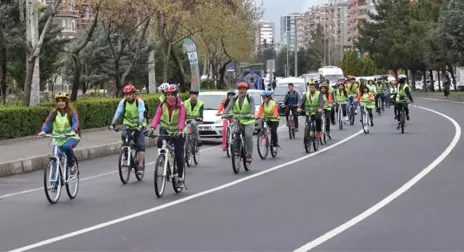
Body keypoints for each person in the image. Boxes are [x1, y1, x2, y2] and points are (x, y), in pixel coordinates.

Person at [150, 84, 187, 187]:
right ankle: (164, 159)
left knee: (179, 155)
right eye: (167, 94)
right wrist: (152, 128)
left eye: (172, 94)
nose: (169, 96)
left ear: (176, 95)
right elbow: (157, 116)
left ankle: (180, 177)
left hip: (178, 132)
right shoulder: (162, 105)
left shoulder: (181, 106)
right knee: (159, 141)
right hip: (166, 130)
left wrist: (180, 130)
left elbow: (182, 118)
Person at [39, 92, 80, 177]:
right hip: (57, 138)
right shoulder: (54, 112)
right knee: (55, 160)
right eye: (59, 101)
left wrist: (73, 131)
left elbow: (76, 122)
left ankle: (72, 165)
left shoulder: (72, 111)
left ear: (66, 102)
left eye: (63, 101)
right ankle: (54, 186)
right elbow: (48, 122)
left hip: (71, 137)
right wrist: (44, 131)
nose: (60, 103)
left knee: (66, 147)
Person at [109, 84, 147, 175]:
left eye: (130, 94)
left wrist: (140, 124)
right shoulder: (123, 102)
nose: (128, 96)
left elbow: (141, 114)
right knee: (124, 136)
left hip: (140, 124)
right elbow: (118, 112)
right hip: (128, 124)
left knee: (140, 144)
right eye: (126, 94)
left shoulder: (139, 102)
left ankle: (140, 166)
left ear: (134, 94)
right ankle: (126, 153)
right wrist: (113, 123)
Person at [223, 82, 255, 163]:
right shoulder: (234, 98)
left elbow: (252, 107)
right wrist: (224, 113)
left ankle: (249, 154)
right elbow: (229, 105)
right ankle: (237, 150)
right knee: (235, 132)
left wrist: (252, 114)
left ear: (246, 90)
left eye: (243, 89)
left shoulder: (250, 98)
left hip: (248, 121)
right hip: (238, 120)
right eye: (240, 89)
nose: (241, 91)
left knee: (248, 136)